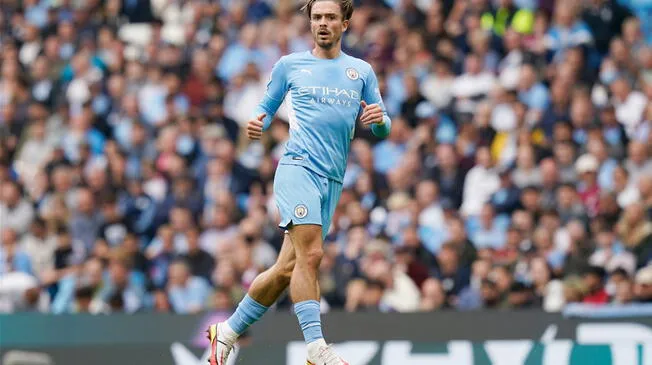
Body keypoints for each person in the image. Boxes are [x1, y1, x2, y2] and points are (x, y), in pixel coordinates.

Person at [206, 1, 392, 364]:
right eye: (317, 17)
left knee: (287, 269)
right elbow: (264, 107)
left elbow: (383, 127)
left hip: (332, 178)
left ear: (345, 24)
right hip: (297, 168)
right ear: (310, 23)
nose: (323, 23)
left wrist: (379, 121)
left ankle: (225, 333)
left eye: (330, 18)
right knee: (313, 255)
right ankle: (315, 348)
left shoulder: (361, 71)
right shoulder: (290, 65)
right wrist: (257, 122)